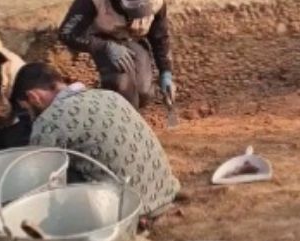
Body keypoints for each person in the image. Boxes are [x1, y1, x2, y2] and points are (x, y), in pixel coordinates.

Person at [12, 63, 181, 224]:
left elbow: (38, 177)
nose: (30, 116)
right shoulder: (109, 95)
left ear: (33, 97)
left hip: (128, 209)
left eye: (27, 109)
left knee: (55, 173)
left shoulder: (48, 121)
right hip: (164, 191)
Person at [58, 0, 175, 109]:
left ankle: (131, 117)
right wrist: (104, 46)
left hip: (133, 39)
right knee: (122, 88)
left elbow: (160, 35)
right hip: (103, 40)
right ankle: (115, 118)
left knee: (144, 92)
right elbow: (67, 33)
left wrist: (165, 72)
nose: (138, 15)